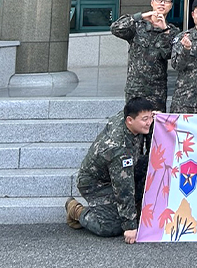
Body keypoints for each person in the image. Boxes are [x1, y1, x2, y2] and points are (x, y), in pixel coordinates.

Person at [65, 97, 154, 244]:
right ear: (130, 121)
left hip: (122, 170)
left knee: (154, 165)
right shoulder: (118, 148)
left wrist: (154, 116)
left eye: (150, 117)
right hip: (96, 184)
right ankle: (76, 210)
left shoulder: (126, 118)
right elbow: (124, 189)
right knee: (111, 227)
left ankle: (135, 208)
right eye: (145, 119)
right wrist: (130, 226)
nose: (149, 122)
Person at [111, 0, 179, 112]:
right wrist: (140, 16)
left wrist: (164, 30)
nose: (162, 3)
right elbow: (115, 28)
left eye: (166, 1)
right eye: (159, 0)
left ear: (171, 6)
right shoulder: (138, 26)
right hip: (135, 89)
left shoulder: (172, 31)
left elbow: (168, 54)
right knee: (133, 127)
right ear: (152, 3)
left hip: (156, 92)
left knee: (155, 128)